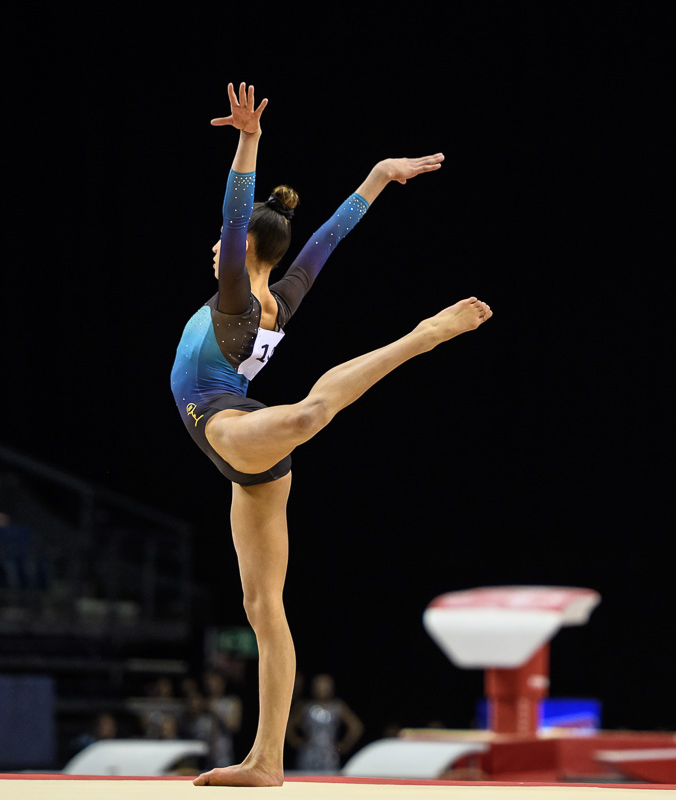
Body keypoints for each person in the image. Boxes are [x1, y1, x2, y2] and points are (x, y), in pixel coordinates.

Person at [170, 83, 491, 787]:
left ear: (243, 246)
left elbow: (233, 212)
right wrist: (377, 177)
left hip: (229, 425)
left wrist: (249, 139)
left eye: (228, 242)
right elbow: (326, 240)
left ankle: (422, 336)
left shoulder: (235, 293)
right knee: (262, 608)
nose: (218, 245)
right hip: (248, 454)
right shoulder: (281, 298)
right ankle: (265, 760)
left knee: (311, 416)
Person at [286, 673, 364, 772]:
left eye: (325, 686)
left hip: (329, 754)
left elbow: (356, 726)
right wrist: (297, 741)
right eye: (319, 685)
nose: (322, 689)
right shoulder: (305, 707)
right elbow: (289, 726)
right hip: (309, 752)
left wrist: (344, 745)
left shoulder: (337, 706)